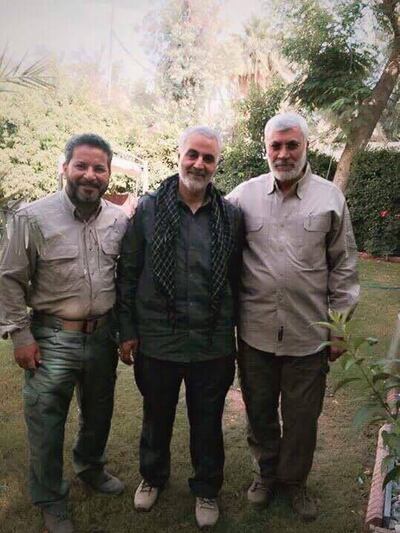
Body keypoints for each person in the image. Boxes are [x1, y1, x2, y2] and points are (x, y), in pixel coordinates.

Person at [227, 112, 360, 521]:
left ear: (305, 146)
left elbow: (344, 266)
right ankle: (265, 475)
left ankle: (295, 482)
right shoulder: (241, 197)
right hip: (256, 333)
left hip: (308, 335)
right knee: (260, 410)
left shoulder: (329, 198)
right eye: (275, 146)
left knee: (303, 418)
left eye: (292, 145)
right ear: (265, 148)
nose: (283, 154)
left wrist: (339, 329)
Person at [0, 133, 129, 533]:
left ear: (108, 174)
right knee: (46, 420)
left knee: (98, 413)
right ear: (65, 168)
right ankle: (50, 498)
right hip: (52, 337)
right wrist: (20, 336)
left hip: (103, 337)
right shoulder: (31, 218)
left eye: (99, 168)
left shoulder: (118, 219)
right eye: (82, 166)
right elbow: (7, 279)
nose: (90, 175)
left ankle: (90, 467)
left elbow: (123, 277)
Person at [116, 126, 243, 529]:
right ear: (179, 156)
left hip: (211, 342)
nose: (199, 164)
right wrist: (128, 329)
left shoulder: (231, 216)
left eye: (208, 158)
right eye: (193, 155)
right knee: (157, 415)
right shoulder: (149, 210)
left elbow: (237, 278)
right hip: (158, 340)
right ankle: (153, 477)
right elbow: (129, 272)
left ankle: (206, 488)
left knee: (207, 420)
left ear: (216, 164)